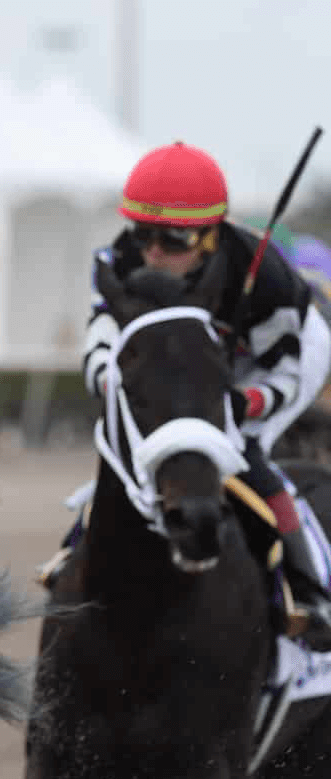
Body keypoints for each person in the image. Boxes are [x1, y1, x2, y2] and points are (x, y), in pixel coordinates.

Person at [43, 141, 331, 640]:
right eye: (143, 232)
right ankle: (75, 551)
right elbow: (102, 344)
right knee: (126, 450)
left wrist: (241, 404)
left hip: (279, 357)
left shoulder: (262, 278)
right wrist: (119, 389)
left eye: (173, 240)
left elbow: (282, 371)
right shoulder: (119, 261)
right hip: (193, 357)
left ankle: (307, 591)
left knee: (242, 448)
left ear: (210, 236)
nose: (152, 252)